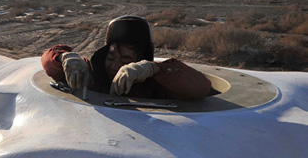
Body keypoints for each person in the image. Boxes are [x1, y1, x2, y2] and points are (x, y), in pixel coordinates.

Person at [41, 15, 212, 99]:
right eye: (110, 58)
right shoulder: (89, 73)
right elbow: (47, 61)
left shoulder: (157, 83)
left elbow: (202, 87)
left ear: (142, 61)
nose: (115, 66)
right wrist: (64, 58)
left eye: (125, 61)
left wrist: (155, 69)